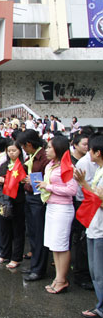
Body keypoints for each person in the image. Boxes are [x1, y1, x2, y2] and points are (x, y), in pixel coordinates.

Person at [36, 136, 77, 294]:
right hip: (51, 206)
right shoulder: (51, 165)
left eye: (49, 147)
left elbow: (72, 190)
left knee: (61, 244)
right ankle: (58, 278)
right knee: (54, 244)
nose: (46, 150)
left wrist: (50, 187)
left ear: (58, 149)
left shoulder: (67, 166)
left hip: (63, 208)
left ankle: (62, 279)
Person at [74, 135, 103, 318]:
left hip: (100, 228)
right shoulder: (99, 170)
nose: (88, 152)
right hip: (94, 226)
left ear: (97, 152)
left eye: (90, 149)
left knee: (99, 272)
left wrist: (85, 185)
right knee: (95, 271)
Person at [17, 129, 50, 282]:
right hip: (29, 196)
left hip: (39, 199)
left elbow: (48, 180)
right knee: (32, 233)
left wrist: (34, 181)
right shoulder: (31, 157)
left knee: (39, 234)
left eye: (24, 147)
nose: (24, 150)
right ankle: (34, 265)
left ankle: (38, 269)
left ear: (29, 144)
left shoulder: (43, 158)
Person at [0, 141, 26, 269]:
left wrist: (7, 180)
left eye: (14, 150)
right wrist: (0, 181)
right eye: (9, 151)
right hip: (4, 199)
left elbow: (23, 183)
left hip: (17, 200)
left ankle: (16, 257)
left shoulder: (23, 166)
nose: (11, 153)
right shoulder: (4, 165)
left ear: (20, 151)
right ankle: (5, 253)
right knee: (4, 228)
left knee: (17, 229)